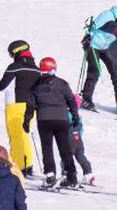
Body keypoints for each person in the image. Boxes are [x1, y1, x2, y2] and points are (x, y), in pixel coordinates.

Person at [25, 57, 80, 190]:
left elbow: (31, 104)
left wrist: (26, 120)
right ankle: (71, 175)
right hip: (62, 119)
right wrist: (75, 116)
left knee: (47, 148)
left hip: (44, 119)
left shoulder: (35, 85)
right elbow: (71, 101)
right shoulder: (62, 83)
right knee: (64, 148)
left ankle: (50, 174)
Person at [0, 40, 42, 178]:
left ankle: (21, 165)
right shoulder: (37, 69)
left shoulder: (15, 67)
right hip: (31, 106)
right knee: (24, 134)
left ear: (15, 52)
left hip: (15, 104)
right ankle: (26, 163)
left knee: (16, 135)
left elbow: (3, 85)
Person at [79, 0, 117, 113]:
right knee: (95, 71)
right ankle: (86, 99)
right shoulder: (108, 15)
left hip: (108, 48)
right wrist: (87, 38)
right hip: (93, 46)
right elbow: (92, 27)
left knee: (116, 74)